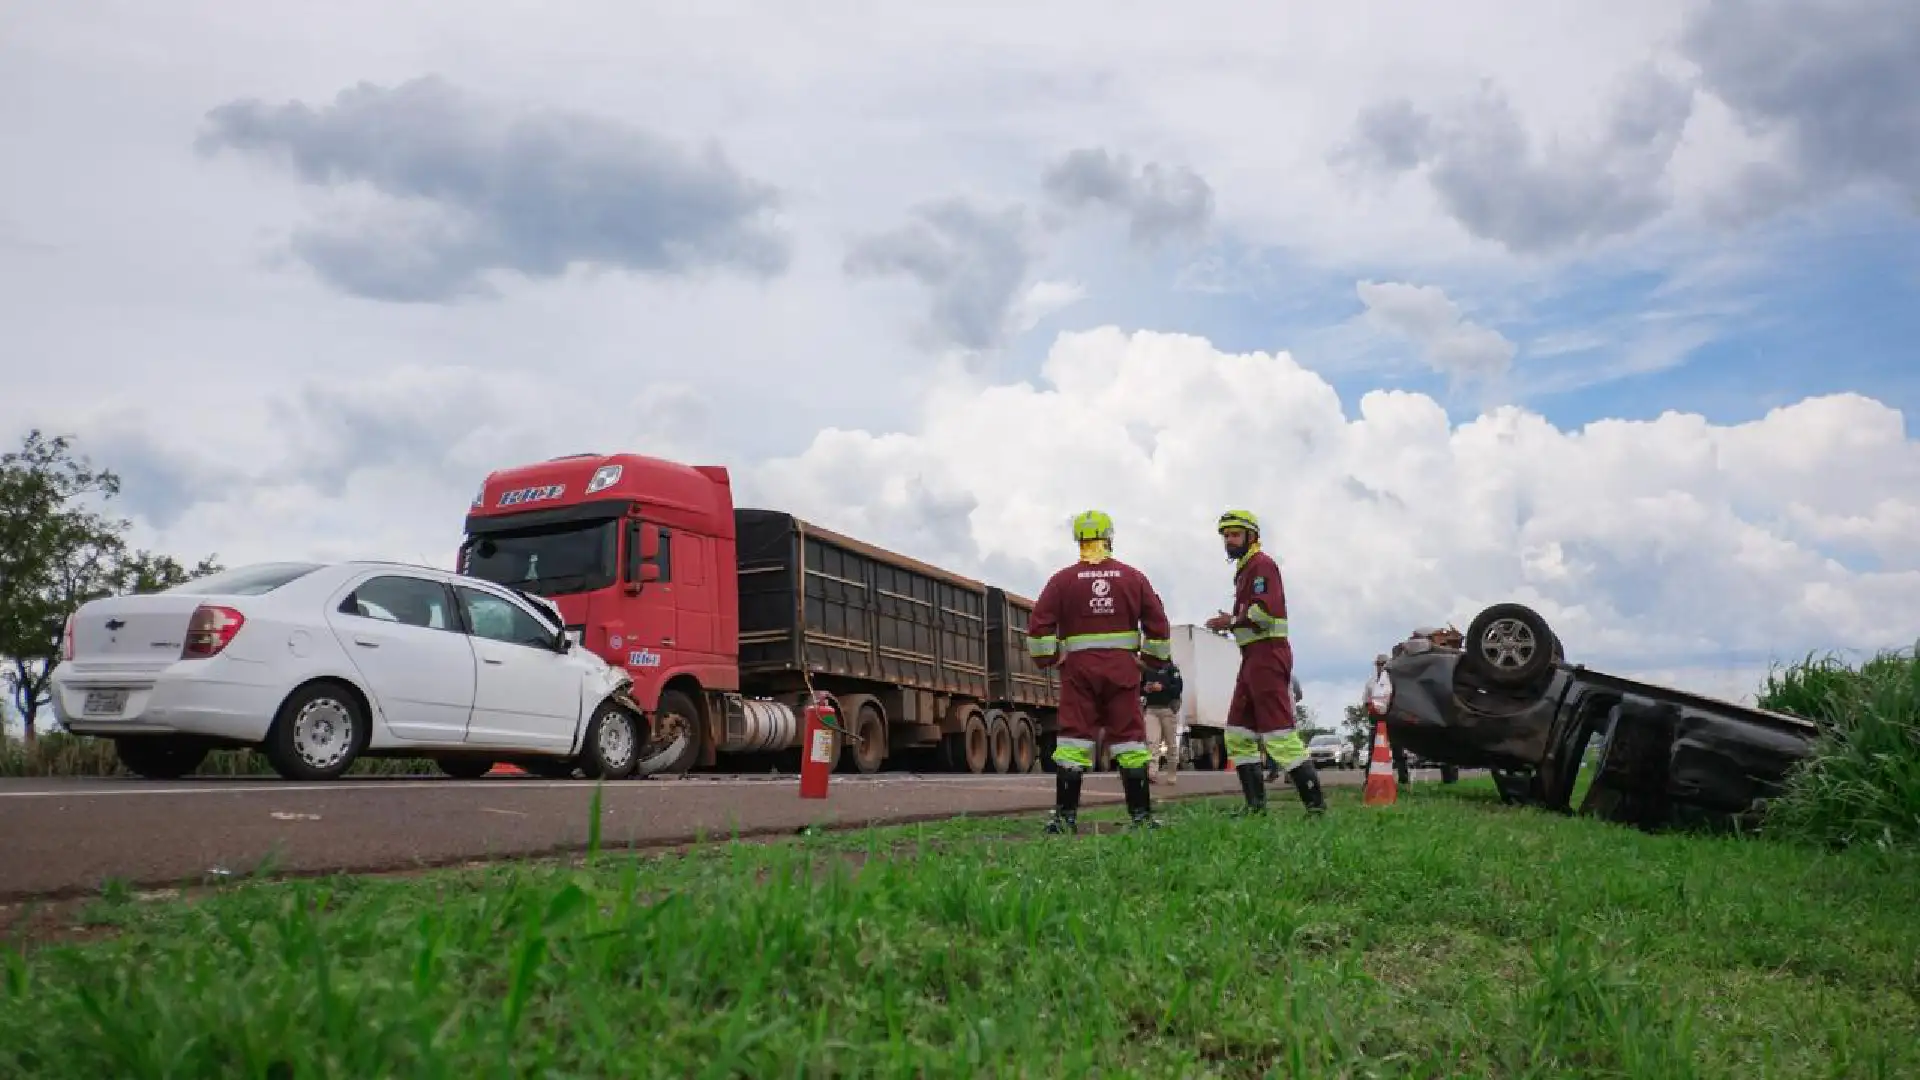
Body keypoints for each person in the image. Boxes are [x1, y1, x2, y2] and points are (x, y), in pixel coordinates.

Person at [1027, 509, 1174, 833]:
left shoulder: (1062, 580)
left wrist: (1050, 659)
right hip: (1122, 670)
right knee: (1131, 742)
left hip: (1079, 670)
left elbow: (1038, 628)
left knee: (1073, 741)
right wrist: (1151, 661)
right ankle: (1140, 817)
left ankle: (1065, 820)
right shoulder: (1133, 578)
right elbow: (1158, 625)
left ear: (1079, 540)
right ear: (1109, 538)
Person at [1204, 509, 1326, 815]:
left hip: (1267, 656)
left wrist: (1229, 621)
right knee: (1237, 734)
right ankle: (1255, 807)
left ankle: (1316, 808)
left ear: (1251, 536)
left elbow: (1263, 614)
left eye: (1234, 535)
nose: (1229, 541)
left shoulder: (1261, 565)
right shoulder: (1247, 568)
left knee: (1279, 736)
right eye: (1225, 536)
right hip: (1252, 659)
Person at [1140, 656, 1183, 785]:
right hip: (1151, 709)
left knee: (1171, 744)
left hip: (1167, 710)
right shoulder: (1147, 669)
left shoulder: (1171, 668)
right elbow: (1139, 688)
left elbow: (1178, 689)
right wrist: (1145, 689)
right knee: (1152, 742)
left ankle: (1172, 774)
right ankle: (1152, 773)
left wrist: (1163, 687)